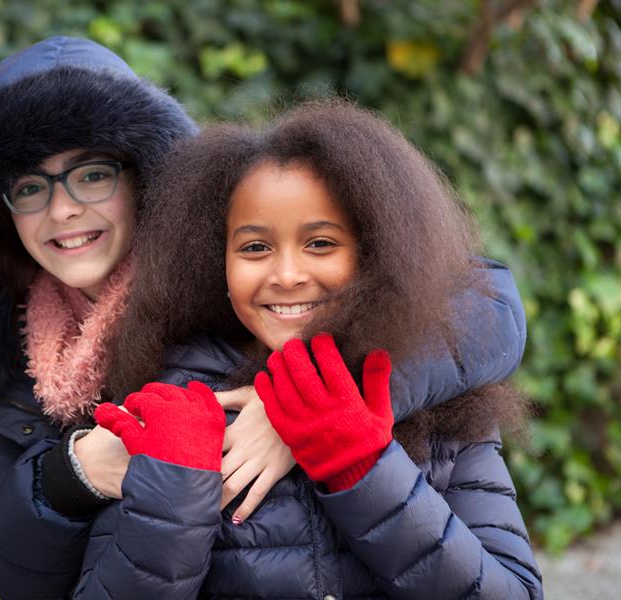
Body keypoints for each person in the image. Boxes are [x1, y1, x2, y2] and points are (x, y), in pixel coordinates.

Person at [0, 36, 528, 599]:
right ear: (4, 214)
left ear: (145, 178)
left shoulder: (228, 294)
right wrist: (82, 470)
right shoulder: (21, 355)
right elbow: (8, 563)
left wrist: (302, 400)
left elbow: (474, 304)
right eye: (30, 187)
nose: (62, 211)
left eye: (92, 174)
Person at [74, 99, 543, 599]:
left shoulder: (443, 410)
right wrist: (170, 504)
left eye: (320, 243)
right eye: (255, 248)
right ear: (215, 263)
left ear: (375, 251)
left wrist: (364, 467)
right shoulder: (169, 403)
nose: (288, 275)